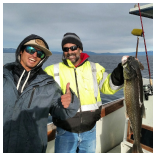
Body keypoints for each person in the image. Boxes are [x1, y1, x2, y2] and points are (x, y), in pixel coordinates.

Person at [44, 32, 124, 153]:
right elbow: (42, 99)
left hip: (90, 131)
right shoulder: (51, 70)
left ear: (80, 49)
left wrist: (122, 71)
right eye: (66, 49)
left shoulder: (94, 68)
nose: (70, 51)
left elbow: (109, 87)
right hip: (65, 131)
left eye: (73, 47)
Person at [3, 34, 80, 153]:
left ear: (43, 59)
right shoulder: (3, 75)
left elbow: (63, 112)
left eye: (40, 53)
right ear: (21, 51)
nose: (34, 55)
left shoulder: (49, 85)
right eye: (30, 50)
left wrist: (70, 103)